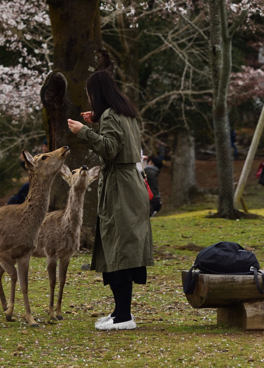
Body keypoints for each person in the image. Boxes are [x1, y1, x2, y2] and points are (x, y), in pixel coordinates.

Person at [67, 70, 153, 332]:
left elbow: (110, 149)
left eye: (91, 94)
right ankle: (119, 312)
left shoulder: (110, 115)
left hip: (120, 188)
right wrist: (96, 123)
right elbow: (118, 140)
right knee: (119, 248)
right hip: (129, 184)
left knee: (119, 250)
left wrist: (84, 132)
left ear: (98, 93)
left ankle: (124, 316)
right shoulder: (125, 113)